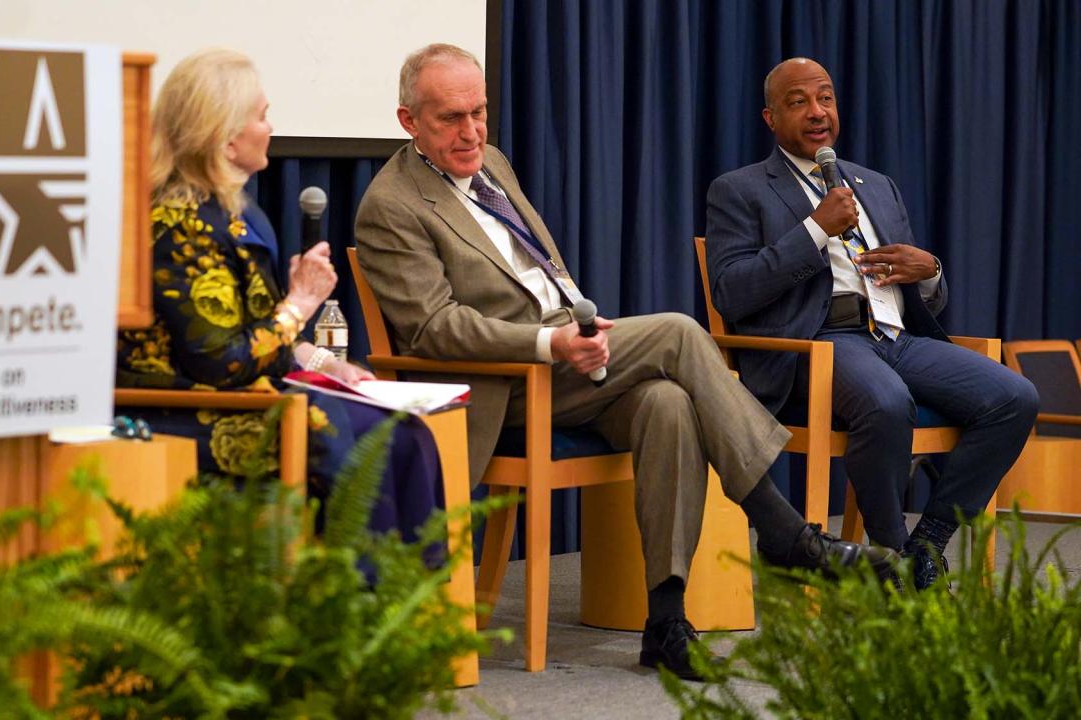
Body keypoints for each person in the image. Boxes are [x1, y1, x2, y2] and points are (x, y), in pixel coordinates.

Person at [354, 43, 893, 681]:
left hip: (566, 355)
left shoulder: (491, 163)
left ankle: (666, 621)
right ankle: (782, 530)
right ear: (407, 120)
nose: (471, 132)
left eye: (480, 112)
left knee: (668, 404)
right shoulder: (390, 206)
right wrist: (549, 343)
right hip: (502, 384)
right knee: (678, 332)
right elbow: (431, 329)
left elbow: (539, 272)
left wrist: (577, 330)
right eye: (450, 118)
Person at [704, 57, 1039, 590]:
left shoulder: (876, 184)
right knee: (885, 403)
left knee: (1014, 397)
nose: (817, 112)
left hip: (897, 335)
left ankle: (927, 540)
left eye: (826, 99)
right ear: (770, 118)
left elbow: (927, 294)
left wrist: (929, 271)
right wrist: (815, 229)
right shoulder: (740, 189)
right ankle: (892, 562)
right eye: (799, 102)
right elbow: (732, 290)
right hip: (816, 344)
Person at [115, 47, 443, 542]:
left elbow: (260, 333)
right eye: (262, 116)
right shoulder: (177, 225)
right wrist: (300, 303)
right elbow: (220, 363)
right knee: (361, 433)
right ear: (226, 139)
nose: (270, 128)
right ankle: (354, 596)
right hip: (181, 407)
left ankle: (407, 602)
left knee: (403, 430)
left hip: (249, 394)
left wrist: (326, 366)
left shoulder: (237, 212)